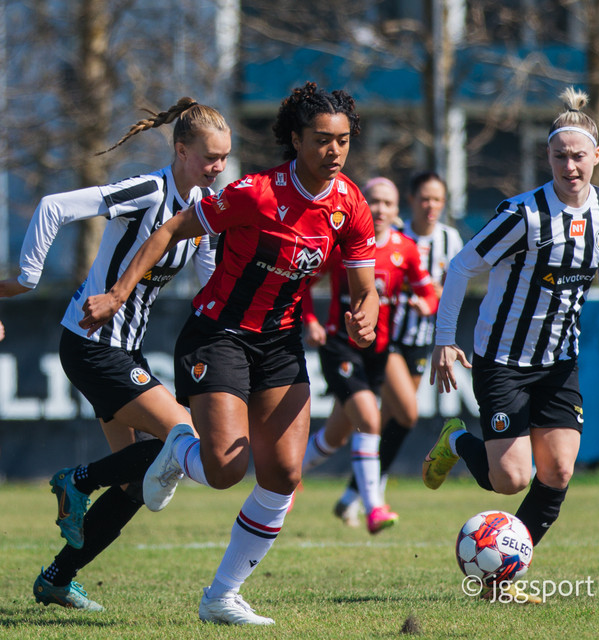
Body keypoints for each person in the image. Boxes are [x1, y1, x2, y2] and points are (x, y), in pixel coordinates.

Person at [78, 82, 379, 626]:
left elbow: (365, 287)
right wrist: (120, 292)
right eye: (321, 139)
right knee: (224, 471)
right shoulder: (254, 192)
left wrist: (368, 313)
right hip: (219, 335)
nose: (333, 151)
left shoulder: (351, 204)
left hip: (280, 342)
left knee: (283, 473)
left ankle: (222, 596)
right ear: (295, 139)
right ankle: (177, 448)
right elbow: (172, 229)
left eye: (342, 140)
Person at [0, 97, 231, 610]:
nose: (218, 167)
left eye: (224, 158)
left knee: (134, 483)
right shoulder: (150, 190)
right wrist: (27, 278)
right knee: (184, 437)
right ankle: (76, 480)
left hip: (125, 351)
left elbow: (211, 283)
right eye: (210, 157)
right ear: (181, 150)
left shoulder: (205, 210)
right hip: (92, 346)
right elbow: (53, 207)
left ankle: (57, 578)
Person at [424, 87, 599, 600]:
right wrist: (444, 339)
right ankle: (457, 440)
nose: (569, 166)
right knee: (510, 479)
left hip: (559, 360)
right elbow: (461, 266)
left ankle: (502, 579)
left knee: (558, 470)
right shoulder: (523, 215)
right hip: (503, 359)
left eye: (578, 156)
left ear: (597, 156)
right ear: (548, 157)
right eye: (560, 156)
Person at [301, 176, 439, 533]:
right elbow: (303, 284)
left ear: (396, 210)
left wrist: (427, 304)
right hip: (340, 345)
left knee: (337, 435)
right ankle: (374, 507)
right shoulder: (340, 244)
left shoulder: (406, 249)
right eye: (373, 201)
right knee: (369, 420)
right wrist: (311, 321)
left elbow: (429, 292)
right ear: (361, 205)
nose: (380, 209)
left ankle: (290, 472)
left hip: (379, 349)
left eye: (387, 203)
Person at [333, 171, 463, 526]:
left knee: (394, 418)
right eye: (425, 198)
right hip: (389, 338)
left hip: (420, 339)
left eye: (438, 199)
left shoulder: (450, 239)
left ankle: (356, 494)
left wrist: (432, 299)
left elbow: (452, 287)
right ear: (411, 201)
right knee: (395, 415)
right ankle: (363, 495)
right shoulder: (396, 233)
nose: (431, 205)